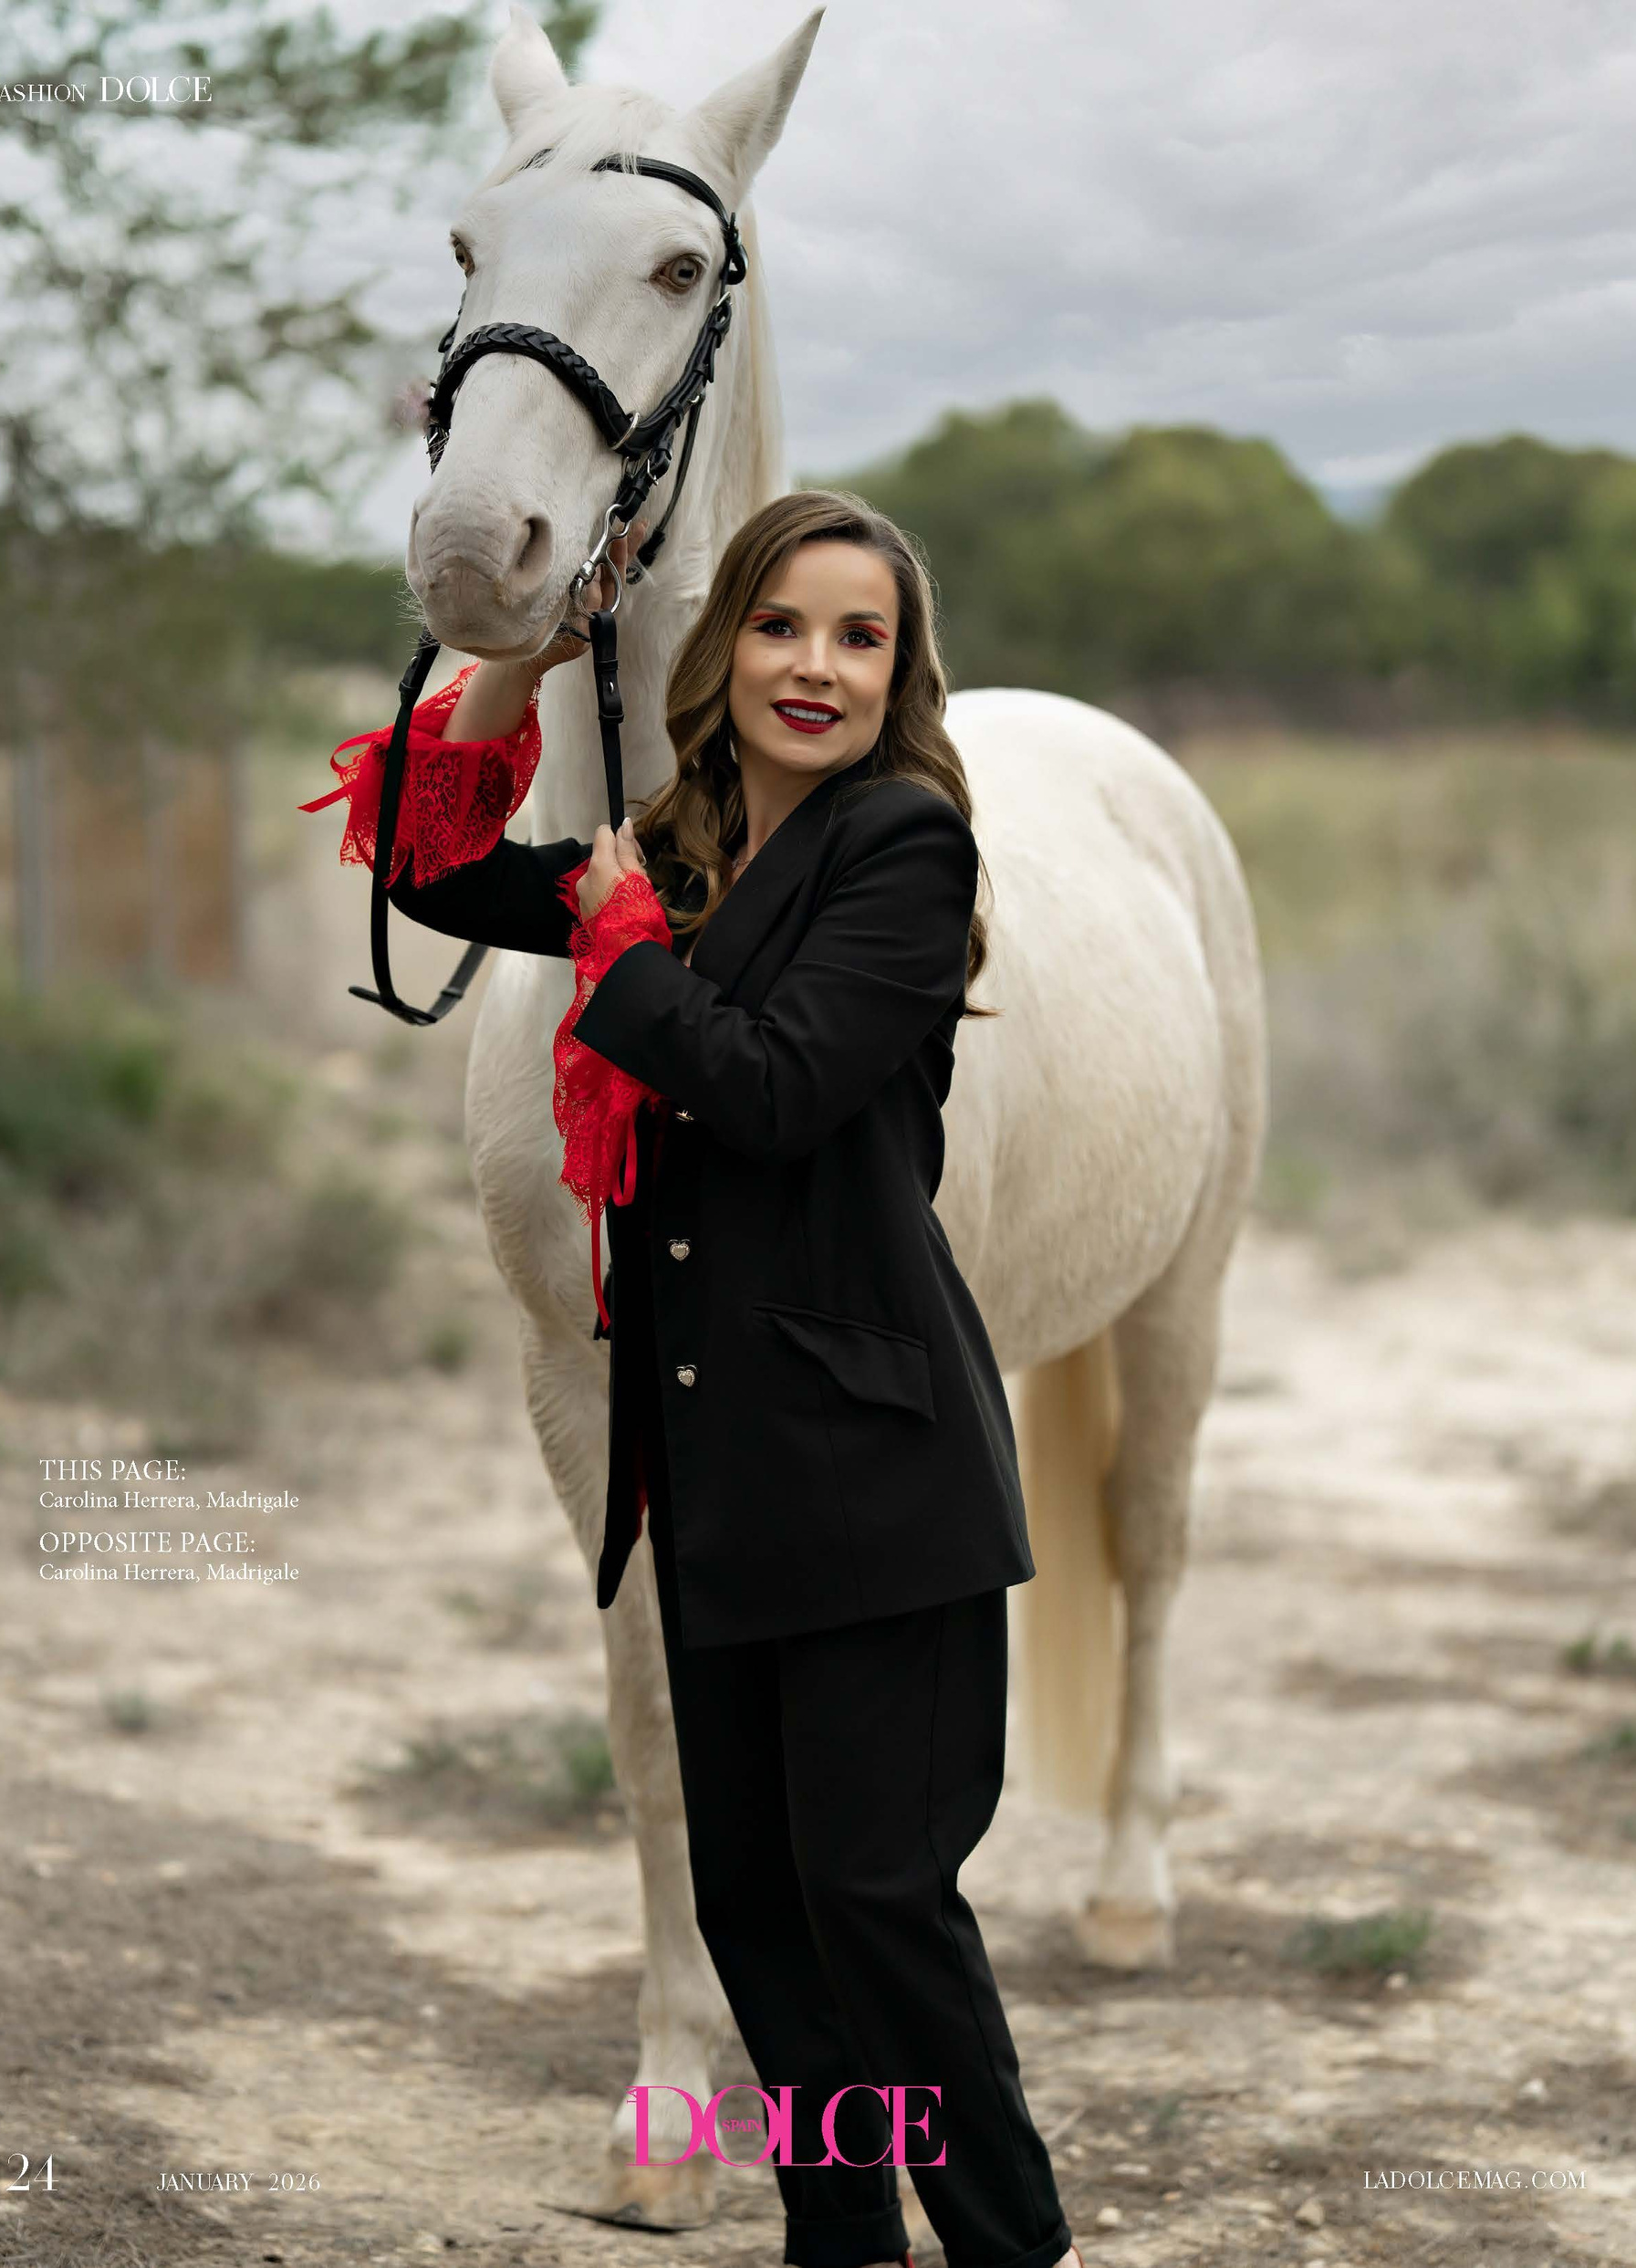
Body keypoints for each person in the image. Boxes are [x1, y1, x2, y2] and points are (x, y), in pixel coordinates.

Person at [308, 491, 1083, 2268]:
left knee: (879, 1905)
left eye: (860, 636)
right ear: (724, 644)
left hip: (882, 1490)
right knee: (756, 1908)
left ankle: (1013, 2243)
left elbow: (778, 1087)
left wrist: (620, 945)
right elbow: (424, 865)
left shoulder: (907, 852)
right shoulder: (671, 851)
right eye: (781, 625)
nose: (815, 665)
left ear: (901, 674)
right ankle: (842, 2237)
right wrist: (519, 662)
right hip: (722, 1483)